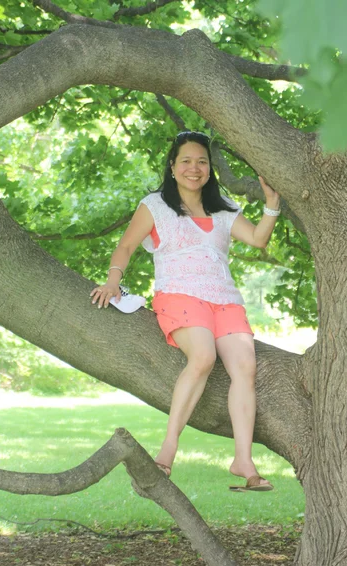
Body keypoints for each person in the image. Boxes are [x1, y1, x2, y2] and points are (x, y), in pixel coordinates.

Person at [90, 131, 280, 492]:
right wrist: (113, 281)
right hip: (179, 295)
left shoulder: (222, 207)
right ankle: (168, 448)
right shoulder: (156, 205)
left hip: (224, 299)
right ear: (173, 167)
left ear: (209, 169)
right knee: (204, 357)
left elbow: (257, 239)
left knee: (245, 367)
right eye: (187, 161)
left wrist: (271, 204)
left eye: (202, 161)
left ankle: (243, 461)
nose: (195, 168)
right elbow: (126, 246)